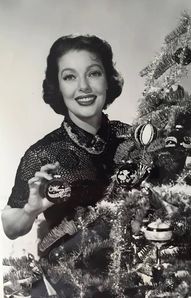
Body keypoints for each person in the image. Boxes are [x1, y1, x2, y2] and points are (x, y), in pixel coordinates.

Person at [1, 34, 130, 241]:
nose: (84, 87)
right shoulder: (42, 154)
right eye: (70, 77)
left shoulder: (133, 138)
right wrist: (29, 210)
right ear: (58, 87)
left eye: (94, 73)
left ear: (108, 80)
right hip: (68, 271)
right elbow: (10, 228)